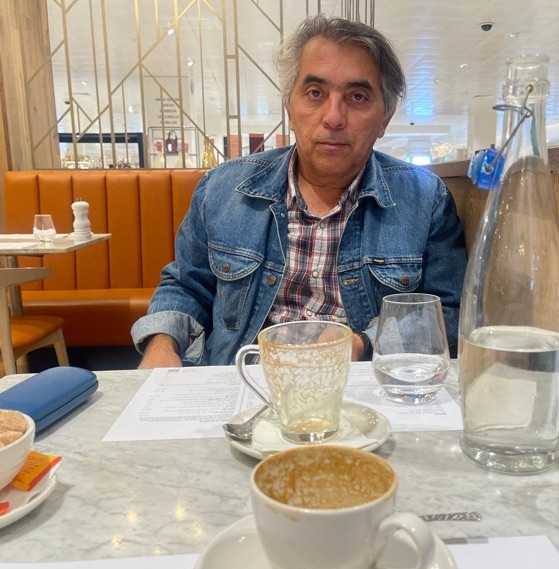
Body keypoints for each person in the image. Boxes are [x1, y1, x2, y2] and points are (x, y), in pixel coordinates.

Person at [132, 15, 467, 368]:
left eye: (357, 96)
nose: (333, 117)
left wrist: (362, 343)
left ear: (385, 117)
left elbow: (447, 311)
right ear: (290, 107)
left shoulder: (425, 199)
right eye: (315, 93)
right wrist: (161, 345)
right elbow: (186, 286)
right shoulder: (221, 189)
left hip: (359, 384)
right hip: (241, 380)